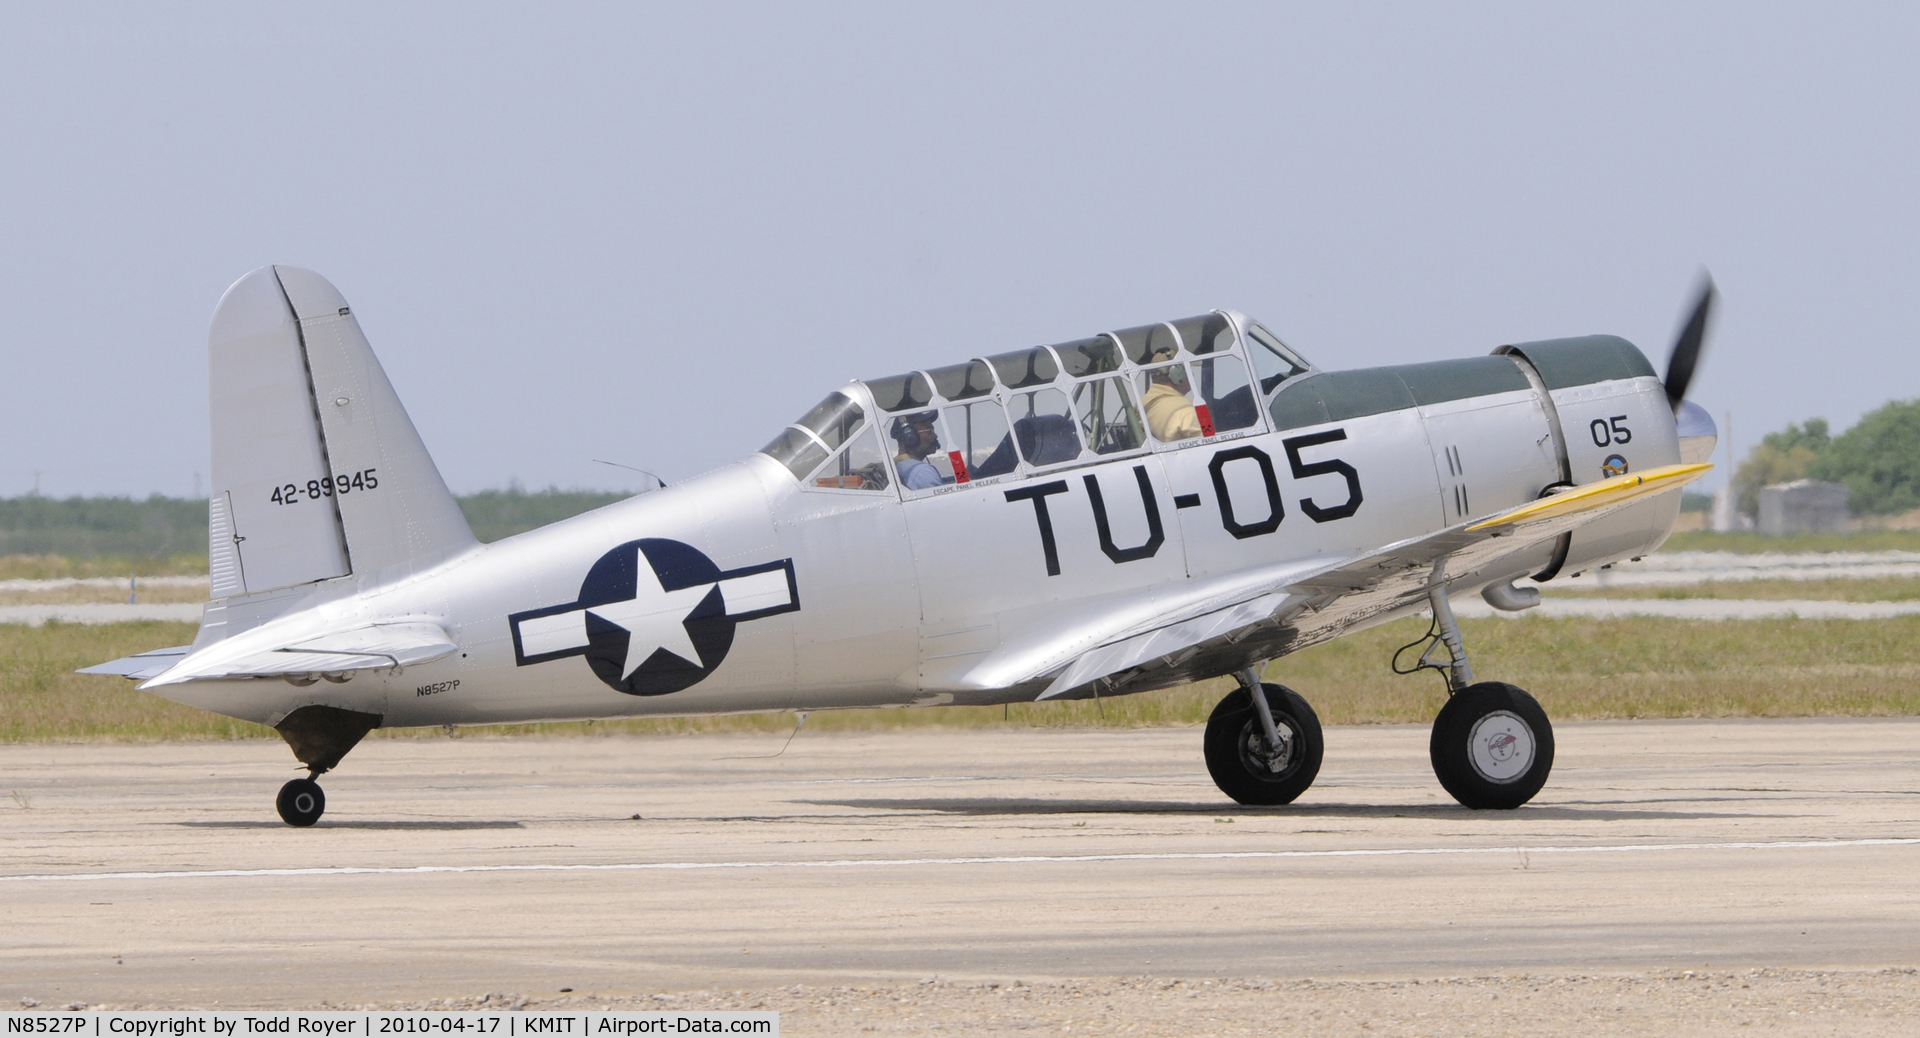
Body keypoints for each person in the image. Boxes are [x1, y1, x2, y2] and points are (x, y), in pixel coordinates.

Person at [1141, 355, 1201, 442]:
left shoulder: (1142, 404)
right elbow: (1210, 444)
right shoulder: (1188, 412)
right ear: (1177, 374)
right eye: (1186, 369)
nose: (1191, 374)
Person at [890, 411, 951, 490]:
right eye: (929, 430)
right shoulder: (923, 471)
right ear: (910, 437)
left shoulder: (898, 465)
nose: (935, 435)